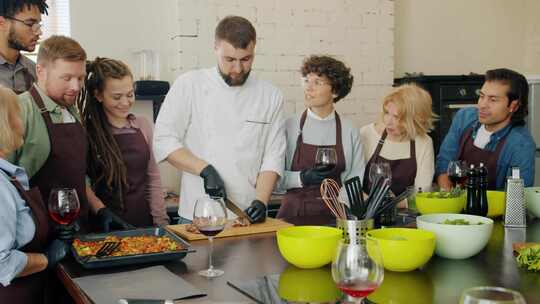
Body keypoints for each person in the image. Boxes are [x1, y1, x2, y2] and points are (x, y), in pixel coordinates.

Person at [153, 15, 285, 223]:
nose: (238, 69)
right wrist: (204, 170)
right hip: (197, 217)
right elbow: (164, 140)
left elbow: (273, 155)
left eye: (246, 59)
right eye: (230, 60)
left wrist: (261, 200)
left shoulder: (271, 95)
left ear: (254, 50)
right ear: (216, 48)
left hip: (246, 216)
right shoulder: (189, 85)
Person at [7, 35, 100, 232]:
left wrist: (100, 209)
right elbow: (3, 187)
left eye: (80, 78)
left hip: (78, 228)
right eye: (66, 78)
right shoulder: (19, 110)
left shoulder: (72, 110)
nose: (75, 87)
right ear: (40, 71)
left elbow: (77, 175)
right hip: (36, 236)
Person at [79, 57, 169, 229]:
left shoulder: (143, 125)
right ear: (98, 95)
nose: (125, 102)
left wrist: (161, 223)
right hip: (104, 227)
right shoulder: (87, 132)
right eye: (117, 97)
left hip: (144, 224)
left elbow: (153, 178)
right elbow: (82, 183)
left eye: (130, 95)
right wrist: (101, 212)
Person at [0, 86, 69, 304]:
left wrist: (49, 230)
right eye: (18, 115)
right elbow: (2, 263)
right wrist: (47, 259)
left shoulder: (8, 176)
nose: (23, 123)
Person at [276, 55, 364, 224]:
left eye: (317, 82)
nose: (309, 88)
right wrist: (302, 178)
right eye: (307, 81)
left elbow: (355, 178)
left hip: (336, 214)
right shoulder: (289, 126)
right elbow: (275, 178)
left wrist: (340, 206)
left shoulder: (349, 130)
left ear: (335, 91)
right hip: (293, 213)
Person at [436, 68, 536, 190]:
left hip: (493, 208)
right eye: (482, 96)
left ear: (513, 106)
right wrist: (448, 198)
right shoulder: (464, 117)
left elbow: (515, 197)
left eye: (493, 100)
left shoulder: (521, 145)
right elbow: (444, 163)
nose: (482, 105)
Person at [360, 84, 436, 196]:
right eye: (386, 113)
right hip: (366, 210)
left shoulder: (424, 142)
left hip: (407, 212)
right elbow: (353, 186)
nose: (388, 121)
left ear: (414, 120)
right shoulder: (367, 134)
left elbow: (422, 192)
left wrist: (393, 205)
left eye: (396, 117)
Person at [0, 0, 48, 93]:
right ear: (2, 23)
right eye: (30, 24)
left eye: (38, 25)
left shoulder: (34, 72)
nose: (38, 32)